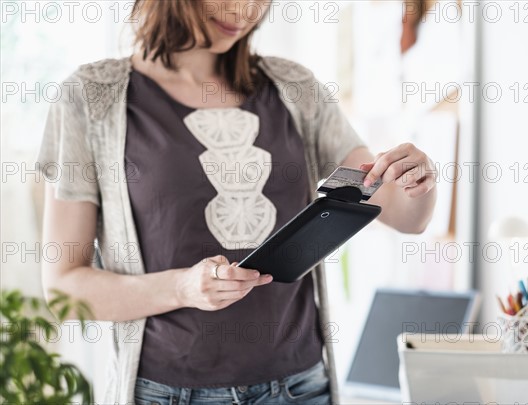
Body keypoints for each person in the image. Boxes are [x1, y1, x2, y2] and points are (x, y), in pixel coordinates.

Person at [37, 1, 437, 404]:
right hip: (168, 393)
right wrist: (181, 288)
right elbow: (63, 289)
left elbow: (406, 216)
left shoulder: (294, 87)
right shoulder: (90, 99)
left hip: (301, 388)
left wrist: (417, 180)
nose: (245, 10)